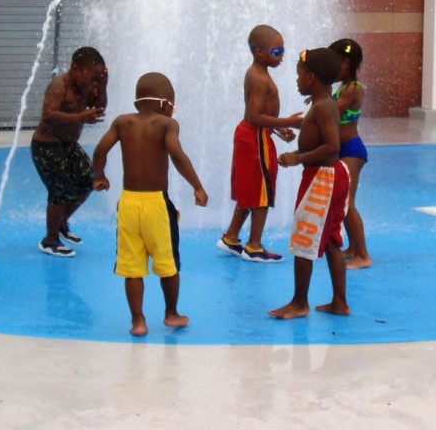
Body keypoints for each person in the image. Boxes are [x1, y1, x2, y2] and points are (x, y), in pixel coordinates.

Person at [90, 72, 208, 337]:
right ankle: (171, 313)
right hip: (156, 203)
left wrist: (99, 176)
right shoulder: (167, 124)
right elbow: (176, 154)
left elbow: (100, 151)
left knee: (132, 267)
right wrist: (197, 186)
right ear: (166, 104)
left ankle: (138, 321)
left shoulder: (122, 122)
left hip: (129, 202)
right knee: (168, 263)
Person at [269, 47, 351, 320]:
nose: (296, 80)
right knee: (329, 240)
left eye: (299, 75)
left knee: (304, 236)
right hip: (329, 175)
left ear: (312, 78)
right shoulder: (322, 104)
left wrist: (298, 157)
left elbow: (332, 146)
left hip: (322, 177)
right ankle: (339, 301)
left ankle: (299, 302)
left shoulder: (324, 107)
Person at [217, 24, 301, 263]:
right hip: (254, 137)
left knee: (250, 188)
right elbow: (253, 116)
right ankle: (254, 246)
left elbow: (260, 115)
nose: (282, 56)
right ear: (259, 52)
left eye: (282, 50)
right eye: (277, 52)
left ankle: (231, 237)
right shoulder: (259, 78)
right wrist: (290, 122)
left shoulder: (259, 74)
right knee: (262, 192)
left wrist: (278, 129)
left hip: (254, 135)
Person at [30, 46, 108, 258]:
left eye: (98, 76)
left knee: (88, 181)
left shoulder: (89, 87)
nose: (93, 80)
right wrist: (80, 117)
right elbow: (48, 115)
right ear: (76, 68)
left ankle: (61, 222)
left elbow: (99, 109)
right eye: (92, 76)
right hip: (46, 146)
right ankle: (50, 240)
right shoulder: (60, 85)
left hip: (67, 145)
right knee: (60, 189)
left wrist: (102, 86)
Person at [329, 38, 371, 270]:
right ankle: (353, 247)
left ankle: (363, 254)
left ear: (345, 63)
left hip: (352, 150)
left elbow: (332, 112)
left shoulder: (353, 88)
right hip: (344, 149)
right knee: (342, 202)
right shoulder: (343, 87)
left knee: (347, 203)